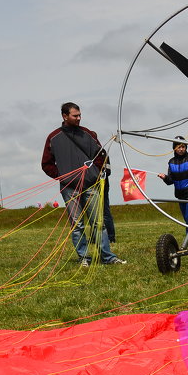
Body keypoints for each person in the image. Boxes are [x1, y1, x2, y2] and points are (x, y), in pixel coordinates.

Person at [41, 102, 124, 266]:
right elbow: (46, 164)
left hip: (91, 186)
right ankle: (84, 258)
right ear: (65, 116)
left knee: (98, 223)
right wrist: (62, 176)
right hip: (69, 189)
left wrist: (98, 172)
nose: (79, 118)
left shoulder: (88, 133)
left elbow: (101, 155)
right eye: (75, 115)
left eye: (80, 115)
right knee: (77, 225)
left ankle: (107, 257)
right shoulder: (53, 137)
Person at [159, 138, 188, 244]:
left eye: (183, 147)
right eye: (179, 147)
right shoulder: (171, 162)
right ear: (174, 149)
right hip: (180, 197)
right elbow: (170, 181)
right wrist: (164, 177)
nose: (181, 149)